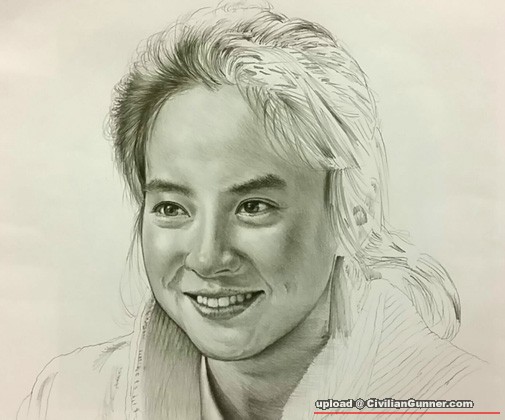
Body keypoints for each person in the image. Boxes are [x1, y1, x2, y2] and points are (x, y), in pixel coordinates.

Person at [18, 3, 487, 419]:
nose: (207, 258)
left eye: (253, 207)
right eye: (172, 207)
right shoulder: (66, 400)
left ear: (354, 211)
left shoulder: (467, 401)